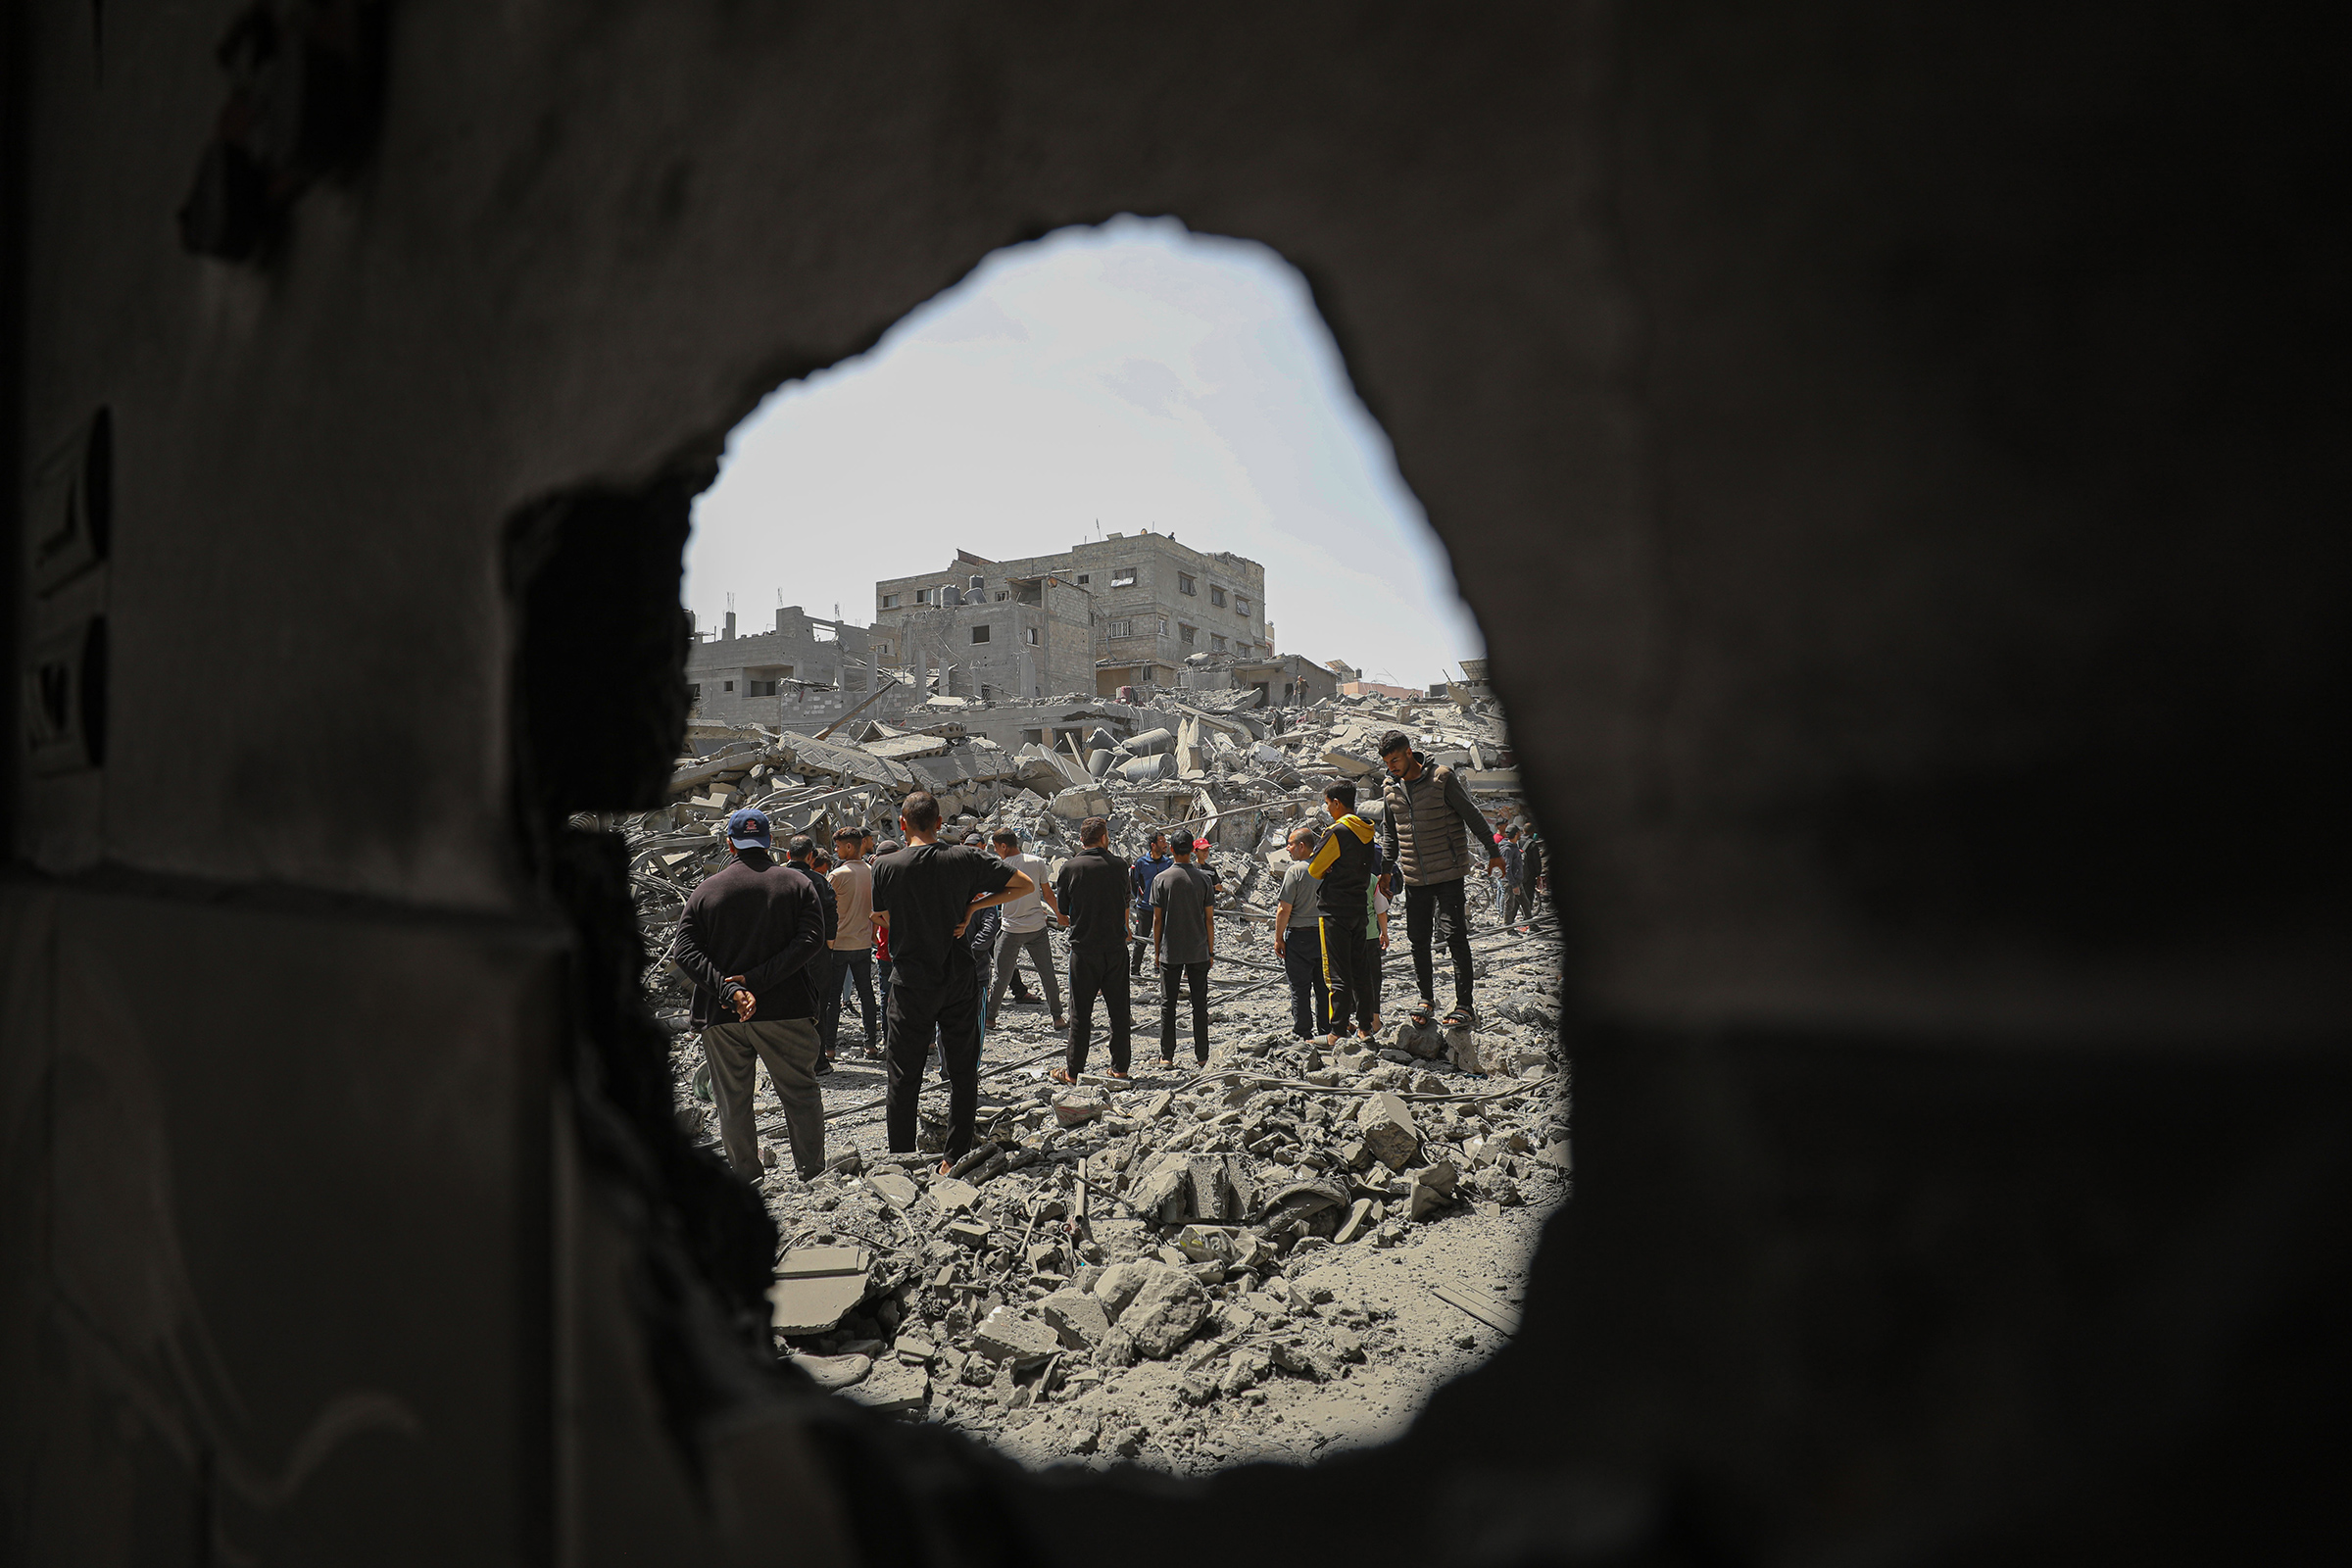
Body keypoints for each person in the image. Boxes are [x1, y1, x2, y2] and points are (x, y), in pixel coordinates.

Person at [870, 793, 1030, 1166]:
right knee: (962, 1071)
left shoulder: (886, 865)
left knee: (903, 1073)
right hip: (959, 977)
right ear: (939, 823)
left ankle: (902, 1158)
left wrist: (908, 922)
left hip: (910, 981)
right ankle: (954, 1156)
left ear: (903, 824)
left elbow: (880, 915)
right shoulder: (965, 856)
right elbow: (1023, 885)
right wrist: (974, 905)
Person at [671, 808, 829, 1179]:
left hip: (722, 1017)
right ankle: (811, 1172)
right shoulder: (797, 884)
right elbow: (811, 939)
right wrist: (754, 982)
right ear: (770, 842)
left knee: (732, 1100)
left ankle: (748, 1174)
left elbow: (685, 952)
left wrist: (729, 989)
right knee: (800, 1093)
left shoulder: (706, 890)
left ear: (730, 843)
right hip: (786, 1009)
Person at [1376, 728, 1503, 1030]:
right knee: (1417, 939)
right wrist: (1385, 869)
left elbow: (1472, 815)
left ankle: (1465, 1005)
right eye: (1387, 762)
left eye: (1395, 759)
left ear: (1409, 753)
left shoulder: (1442, 778)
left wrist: (1494, 851)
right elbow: (1390, 835)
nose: (1391, 767)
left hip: (1449, 871)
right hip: (1415, 877)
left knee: (1455, 935)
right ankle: (1426, 999)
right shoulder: (1390, 790)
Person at [1053, 814, 1133, 1082]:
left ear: (1081, 840)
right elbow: (1125, 903)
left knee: (1080, 1015)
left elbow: (1063, 912)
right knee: (1119, 1012)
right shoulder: (1120, 865)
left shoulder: (1070, 867)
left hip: (1084, 950)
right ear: (1104, 837)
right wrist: (1125, 930)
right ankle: (1120, 1068)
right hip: (1115, 949)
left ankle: (1074, 1072)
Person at [1306, 782, 1381, 1046]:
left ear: (1337, 803)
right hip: (1359, 908)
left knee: (1336, 971)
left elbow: (1315, 869)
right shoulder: (1368, 832)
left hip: (1334, 909)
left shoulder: (1336, 831)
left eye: (1328, 804)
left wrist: (1328, 868)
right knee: (1360, 969)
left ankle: (1336, 1031)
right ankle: (1364, 1028)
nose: (1327, 809)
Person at [985, 829, 1067, 1030]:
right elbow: (1048, 895)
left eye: (996, 848)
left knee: (1001, 976)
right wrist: (1060, 915)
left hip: (1011, 929)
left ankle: (990, 1018)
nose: (996, 852)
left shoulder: (999, 867)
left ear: (1004, 846)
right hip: (1037, 927)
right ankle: (1057, 1018)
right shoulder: (1037, 862)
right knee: (1047, 973)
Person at [1150, 836, 1218, 1068]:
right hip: (1198, 950)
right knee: (1200, 1005)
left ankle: (1167, 1055)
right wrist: (1210, 950)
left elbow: (1157, 920)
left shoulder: (1161, 879)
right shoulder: (1204, 879)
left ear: (1171, 849)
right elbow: (1209, 920)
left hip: (1171, 950)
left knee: (1168, 1004)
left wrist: (1157, 951)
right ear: (1191, 850)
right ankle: (1202, 1056)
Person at [783, 835, 840, 1072]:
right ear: (810, 857)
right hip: (816, 953)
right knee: (817, 1007)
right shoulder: (819, 881)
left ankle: (790, 1062)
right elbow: (831, 915)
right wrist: (829, 944)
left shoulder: (775, 878)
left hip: (783, 955)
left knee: (786, 1004)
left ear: (788, 855)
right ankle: (818, 1061)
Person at [1272, 825, 1330, 1040]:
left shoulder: (1295, 872)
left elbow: (1283, 909)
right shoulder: (1326, 868)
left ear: (1302, 846)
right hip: (1325, 935)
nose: (1287, 849)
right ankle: (1327, 1031)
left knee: (1300, 988)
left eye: (1290, 844)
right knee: (1324, 988)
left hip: (1299, 937)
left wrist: (1278, 938)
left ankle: (1303, 1032)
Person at [827, 826, 879, 1058]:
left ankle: (829, 1047)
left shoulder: (837, 875)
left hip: (838, 945)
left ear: (849, 847)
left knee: (833, 997)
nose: (835, 850)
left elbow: (826, 909)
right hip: (862, 943)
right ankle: (870, 1044)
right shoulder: (872, 872)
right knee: (867, 994)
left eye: (838, 846)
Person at [1127, 831, 1172, 976]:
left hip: (1164, 908)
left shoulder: (1168, 863)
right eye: (1161, 841)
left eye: (1165, 841)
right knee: (1141, 940)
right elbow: (1133, 882)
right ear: (1153, 845)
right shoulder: (1140, 862)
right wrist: (1140, 897)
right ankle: (1135, 971)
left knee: (1163, 939)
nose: (1165, 844)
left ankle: (1159, 968)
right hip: (1145, 908)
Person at [1496, 825, 1526, 929]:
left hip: (1516, 880)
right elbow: (1507, 869)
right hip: (1510, 881)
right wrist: (1513, 885)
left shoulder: (1513, 846)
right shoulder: (1508, 849)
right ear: (1516, 833)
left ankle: (1533, 925)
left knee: (1525, 903)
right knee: (1509, 905)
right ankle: (1508, 929)